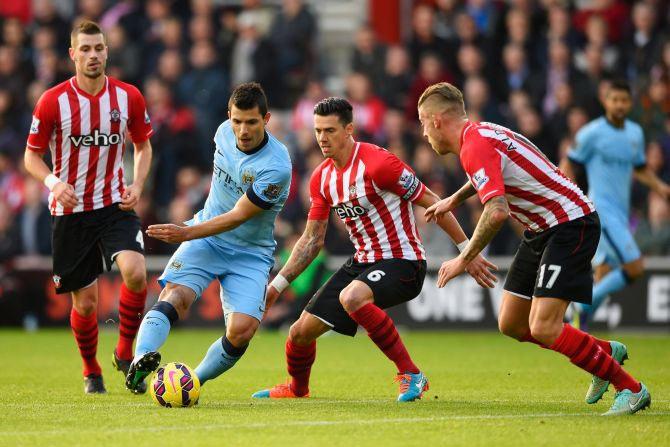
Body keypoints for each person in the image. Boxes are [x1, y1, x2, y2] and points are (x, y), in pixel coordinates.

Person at [419, 82, 650, 416]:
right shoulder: (479, 135)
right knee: (512, 323)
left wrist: (463, 258)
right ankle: (604, 353)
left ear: (437, 121)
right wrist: (453, 200)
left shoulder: (473, 147)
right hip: (541, 228)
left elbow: (497, 211)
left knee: (544, 326)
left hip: (570, 223)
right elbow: (490, 174)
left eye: (424, 124)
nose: (424, 134)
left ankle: (631, 388)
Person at [252, 97, 497, 402]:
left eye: (330, 130)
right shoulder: (322, 178)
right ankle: (297, 388)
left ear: (349, 129)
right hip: (362, 263)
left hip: (404, 261)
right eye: (317, 131)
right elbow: (312, 240)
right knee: (299, 333)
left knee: (352, 296)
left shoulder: (379, 164)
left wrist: (467, 253)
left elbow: (435, 203)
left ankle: (412, 374)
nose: (322, 138)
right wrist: (276, 286)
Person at [125, 83, 292, 395]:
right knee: (177, 296)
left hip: (249, 251)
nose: (243, 130)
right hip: (208, 239)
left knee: (242, 330)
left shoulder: (276, 166)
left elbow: (239, 215)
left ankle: (191, 382)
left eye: (252, 122)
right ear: (228, 116)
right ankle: (140, 359)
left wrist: (186, 232)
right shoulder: (222, 133)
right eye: (237, 121)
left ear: (266, 119)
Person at [23, 21, 153, 394]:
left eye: (98, 48)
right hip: (71, 211)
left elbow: (143, 145)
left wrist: (138, 184)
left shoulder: (128, 97)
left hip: (114, 203)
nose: (93, 55)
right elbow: (31, 157)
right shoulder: (52, 101)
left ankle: (125, 352)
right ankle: (91, 369)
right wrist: (54, 182)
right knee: (86, 304)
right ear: (72, 54)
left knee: (136, 272)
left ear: (107, 51)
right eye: (85, 49)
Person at [560, 80, 670, 330]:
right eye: (615, 100)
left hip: (620, 213)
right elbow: (568, 163)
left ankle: (581, 331)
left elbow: (640, 169)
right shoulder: (591, 133)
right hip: (600, 211)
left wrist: (660, 187)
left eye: (624, 100)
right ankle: (580, 306)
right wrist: (573, 196)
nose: (619, 105)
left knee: (604, 273)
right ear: (605, 101)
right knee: (635, 266)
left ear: (630, 103)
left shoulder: (635, 133)